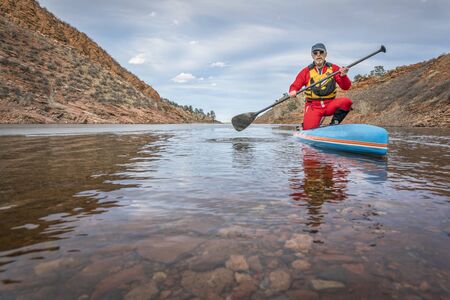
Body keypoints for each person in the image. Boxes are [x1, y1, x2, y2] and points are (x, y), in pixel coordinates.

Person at [289, 43, 353, 130]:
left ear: (325, 54)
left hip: (330, 105)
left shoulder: (334, 68)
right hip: (313, 107)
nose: (318, 55)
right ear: (312, 55)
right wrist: (293, 90)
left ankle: (334, 123)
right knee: (309, 130)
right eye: (315, 53)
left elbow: (346, 87)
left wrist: (343, 76)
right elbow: (295, 85)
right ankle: (305, 126)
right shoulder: (306, 71)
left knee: (346, 102)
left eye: (321, 52)